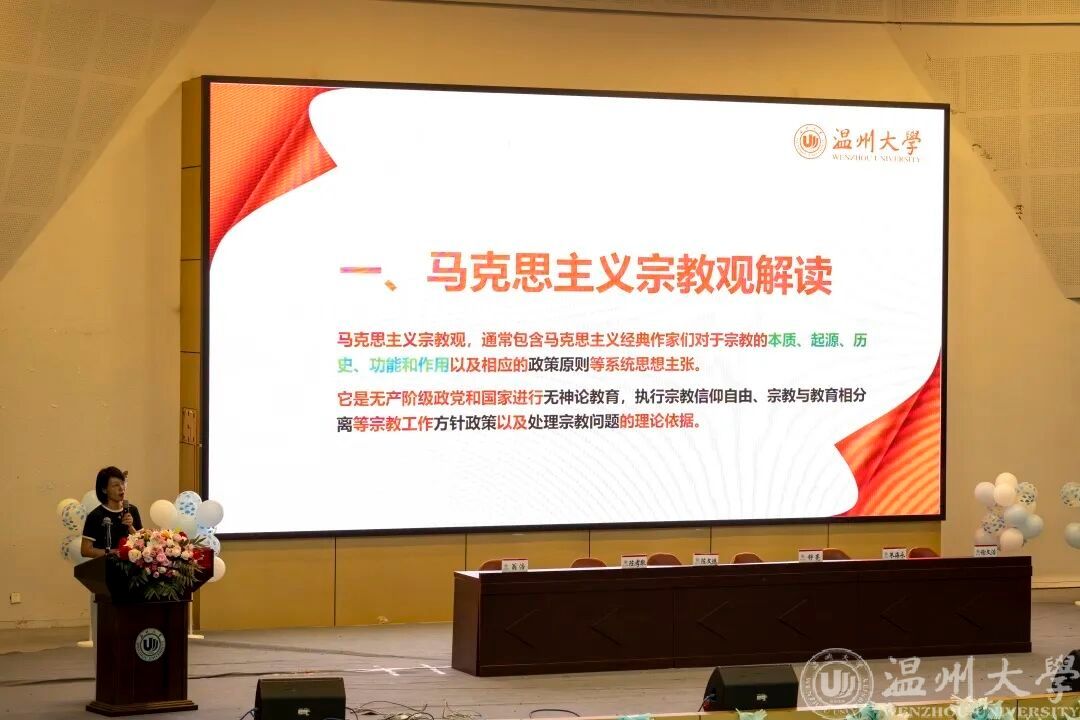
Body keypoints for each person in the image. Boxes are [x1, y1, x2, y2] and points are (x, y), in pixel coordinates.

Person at [81, 466, 142, 558]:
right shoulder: (95, 516)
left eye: (122, 483)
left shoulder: (132, 510)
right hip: (106, 565)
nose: (121, 488)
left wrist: (130, 526)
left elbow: (142, 543)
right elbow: (85, 550)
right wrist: (115, 552)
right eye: (115, 485)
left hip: (132, 565)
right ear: (104, 489)